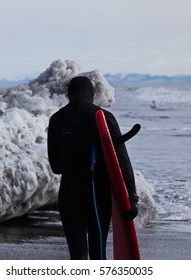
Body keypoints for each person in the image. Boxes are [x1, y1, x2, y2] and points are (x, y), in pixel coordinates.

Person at [47, 76, 138, 260]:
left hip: (69, 194)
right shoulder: (104, 117)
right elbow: (123, 161)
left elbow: (56, 167)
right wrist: (132, 197)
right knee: (98, 254)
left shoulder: (56, 119)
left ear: (69, 94)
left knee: (78, 255)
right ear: (92, 94)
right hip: (97, 196)